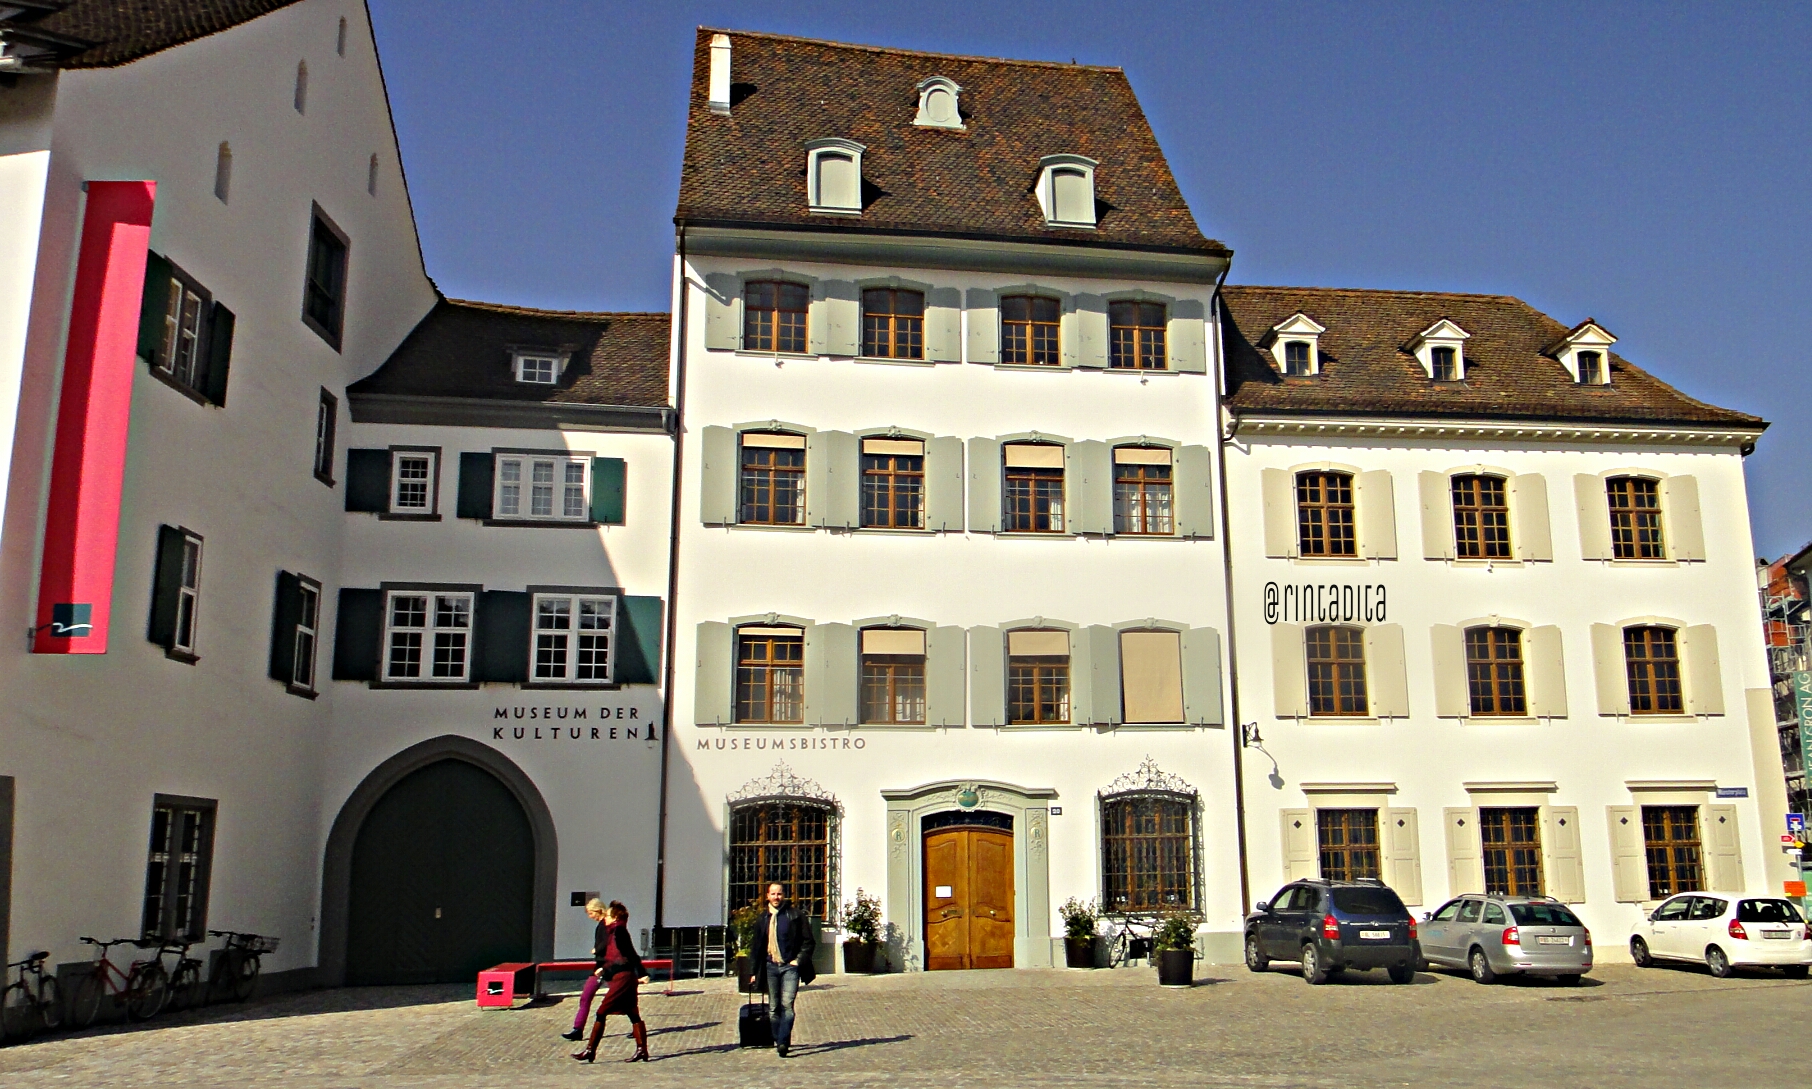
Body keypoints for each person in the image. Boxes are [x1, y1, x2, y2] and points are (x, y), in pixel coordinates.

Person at [570, 900, 651, 1063]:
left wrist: (642, 973)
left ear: (614, 918)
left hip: (623, 979)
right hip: (621, 977)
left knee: (601, 1012)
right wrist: (603, 968)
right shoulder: (613, 931)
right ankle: (642, 1050)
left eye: (607, 915)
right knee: (633, 1013)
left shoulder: (619, 931)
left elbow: (630, 953)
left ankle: (590, 1051)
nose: (604, 918)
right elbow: (613, 957)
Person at [750, 881, 817, 1058]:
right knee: (773, 1008)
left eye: (779, 894)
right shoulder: (763, 918)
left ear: (784, 895)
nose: (776, 897)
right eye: (773, 894)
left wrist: (798, 960)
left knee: (787, 1005)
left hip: (789, 967)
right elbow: (756, 947)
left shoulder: (795, 915)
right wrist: (753, 972)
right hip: (770, 966)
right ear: (767, 896)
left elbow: (809, 941)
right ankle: (778, 1037)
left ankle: (782, 1042)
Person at [560, 899, 611, 1041]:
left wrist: (597, 951)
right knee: (586, 997)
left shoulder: (607, 924)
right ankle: (578, 1029)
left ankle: (636, 1024)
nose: (590, 916)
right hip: (599, 966)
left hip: (608, 966)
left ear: (598, 910)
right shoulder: (602, 925)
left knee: (620, 998)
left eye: (591, 913)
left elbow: (609, 943)